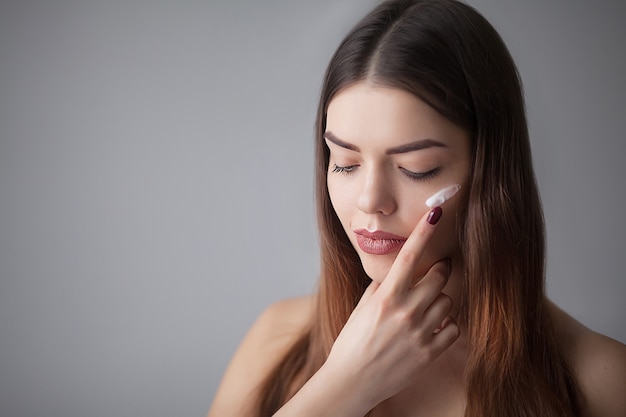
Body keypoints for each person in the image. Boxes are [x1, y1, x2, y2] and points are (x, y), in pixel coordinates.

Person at [207, 0, 626, 416]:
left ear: (491, 171)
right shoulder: (276, 339)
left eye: (416, 169)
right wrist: (341, 388)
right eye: (345, 163)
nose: (370, 200)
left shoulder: (601, 380)